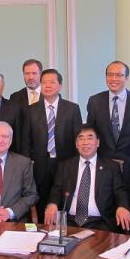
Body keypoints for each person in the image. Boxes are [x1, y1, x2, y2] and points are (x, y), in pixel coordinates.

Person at [86, 61, 130, 233]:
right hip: (103, 164)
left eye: (119, 75)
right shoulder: (94, 101)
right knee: (105, 205)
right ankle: (106, 242)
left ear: (127, 78)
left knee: (129, 206)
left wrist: (126, 152)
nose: (114, 78)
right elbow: (92, 132)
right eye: (110, 74)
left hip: (129, 164)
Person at [44, 125, 130, 233]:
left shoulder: (111, 167)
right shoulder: (65, 166)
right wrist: (52, 204)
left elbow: (119, 191)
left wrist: (122, 207)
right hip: (69, 221)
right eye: (81, 138)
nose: (85, 142)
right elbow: (56, 190)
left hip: (100, 222)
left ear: (98, 142)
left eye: (90, 138)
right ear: (76, 144)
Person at [25, 68, 82, 221]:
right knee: (41, 202)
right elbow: (26, 140)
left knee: (64, 201)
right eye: (44, 82)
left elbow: (78, 139)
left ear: (60, 85)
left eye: (52, 82)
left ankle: (63, 231)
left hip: (65, 164)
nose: (48, 85)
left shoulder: (72, 109)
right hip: (39, 165)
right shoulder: (31, 110)